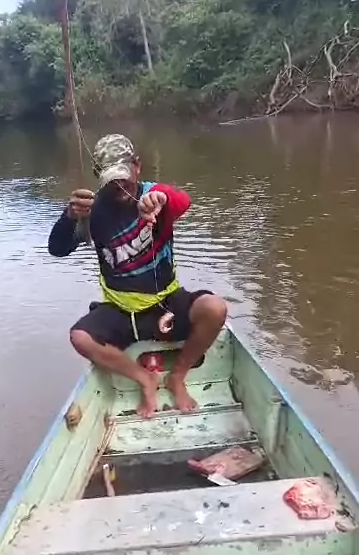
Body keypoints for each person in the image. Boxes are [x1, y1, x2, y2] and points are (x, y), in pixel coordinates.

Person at [48, 133, 227, 417]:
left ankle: (177, 376)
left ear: (137, 166)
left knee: (215, 308)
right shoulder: (90, 212)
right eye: (111, 179)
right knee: (80, 337)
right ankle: (144, 379)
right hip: (120, 311)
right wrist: (69, 217)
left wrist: (160, 198)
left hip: (166, 303)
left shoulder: (155, 195)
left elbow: (183, 201)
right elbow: (57, 249)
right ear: (98, 176)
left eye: (124, 175)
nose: (120, 185)